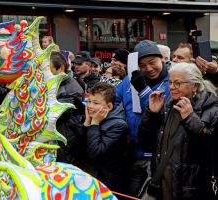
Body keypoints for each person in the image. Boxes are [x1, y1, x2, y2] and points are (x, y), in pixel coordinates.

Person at [139, 62, 218, 199]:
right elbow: (145, 140)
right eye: (170, 82)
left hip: (191, 188)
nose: (171, 87)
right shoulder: (167, 105)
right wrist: (151, 113)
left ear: (194, 86)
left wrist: (190, 119)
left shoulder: (211, 109)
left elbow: (210, 148)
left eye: (177, 83)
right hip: (163, 184)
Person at [115, 40, 170, 196]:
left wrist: (144, 91)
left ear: (162, 59)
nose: (149, 69)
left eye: (152, 62)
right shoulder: (127, 82)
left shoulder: (172, 82)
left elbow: (162, 113)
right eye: (142, 65)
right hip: (132, 153)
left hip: (159, 156)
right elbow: (114, 103)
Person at [84, 82, 128, 194]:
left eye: (95, 103)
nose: (90, 106)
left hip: (105, 182)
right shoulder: (92, 118)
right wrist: (86, 124)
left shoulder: (118, 125)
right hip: (89, 177)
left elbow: (95, 152)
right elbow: (79, 150)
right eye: (89, 101)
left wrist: (94, 124)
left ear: (109, 106)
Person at [49, 51, 86, 167]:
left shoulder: (71, 89)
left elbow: (52, 114)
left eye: (47, 68)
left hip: (64, 142)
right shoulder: (54, 84)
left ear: (60, 68)